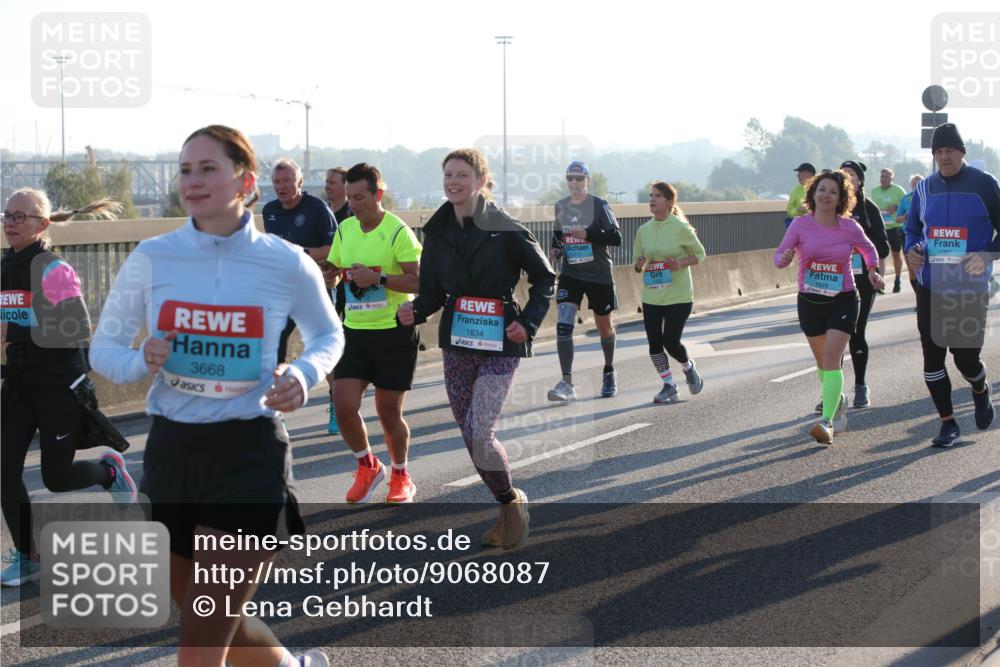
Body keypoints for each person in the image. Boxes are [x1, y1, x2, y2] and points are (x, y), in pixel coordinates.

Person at [90, 125, 341, 667]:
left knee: (199, 648)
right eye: (185, 170)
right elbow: (104, 349)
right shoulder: (153, 257)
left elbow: (328, 334)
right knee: (207, 613)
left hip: (248, 454)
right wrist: (142, 360)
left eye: (207, 168)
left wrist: (302, 373)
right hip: (172, 453)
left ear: (245, 181)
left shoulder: (286, 260)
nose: (192, 181)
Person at [397, 148, 554, 549]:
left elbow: (545, 279)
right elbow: (432, 291)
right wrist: (414, 311)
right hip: (458, 342)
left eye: (462, 175)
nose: (453, 181)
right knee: (468, 435)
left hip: (501, 340)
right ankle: (507, 505)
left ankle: (511, 502)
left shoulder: (506, 228)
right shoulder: (436, 230)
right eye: (448, 175)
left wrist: (529, 322)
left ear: (481, 181)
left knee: (480, 431)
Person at [1, 190, 137, 587]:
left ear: (43, 224)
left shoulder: (53, 270)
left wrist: (15, 330)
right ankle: (28, 555)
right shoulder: (6, 266)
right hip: (22, 383)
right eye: (6, 215)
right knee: (4, 469)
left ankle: (108, 473)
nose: (9, 223)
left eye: (19, 216)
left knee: (55, 479)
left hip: (59, 384)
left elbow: (77, 329)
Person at [323, 163, 422, 504]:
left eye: (360, 197)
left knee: (388, 412)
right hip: (355, 331)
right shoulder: (345, 229)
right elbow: (335, 269)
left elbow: (418, 280)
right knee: (343, 402)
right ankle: (367, 464)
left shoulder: (397, 232)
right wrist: (328, 277)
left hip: (394, 332)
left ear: (378, 194)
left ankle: (400, 474)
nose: (354, 204)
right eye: (349, 197)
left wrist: (377, 279)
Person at [903, 123, 999, 448]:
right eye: (938, 151)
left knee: (965, 359)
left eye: (950, 151)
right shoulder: (924, 189)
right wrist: (912, 250)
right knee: (932, 358)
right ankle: (948, 424)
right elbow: (913, 229)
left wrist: (986, 255)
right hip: (931, 286)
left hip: (968, 288)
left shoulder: (984, 185)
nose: (944, 157)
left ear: (962, 152)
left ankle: (980, 387)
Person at [774, 169, 883, 445]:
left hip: (843, 298)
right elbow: (778, 259)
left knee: (832, 360)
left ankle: (827, 421)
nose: (826, 195)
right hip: (810, 301)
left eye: (833, 192)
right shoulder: (799, 225)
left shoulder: (849, 227)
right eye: (821, 190)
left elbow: (869, 249)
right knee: (822, 362)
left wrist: (872, 269)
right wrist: (785, 257)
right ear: (813, 193)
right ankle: (838, 399)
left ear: (841, 198)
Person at [547, 160, 622, 401]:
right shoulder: (561, 206)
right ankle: (566, 382)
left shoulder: (598, 205)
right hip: (571, 275)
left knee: (604, 327)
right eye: (570, 178)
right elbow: (558, 236)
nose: (574, 182)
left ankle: (609, 370)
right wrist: (556, 250)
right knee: (564, 324)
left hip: (599, 275)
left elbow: (616, 237)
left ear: (588, 181)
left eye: (579, 178)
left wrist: (588, 234)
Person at [632, 181, 707, 404]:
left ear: (669, 201)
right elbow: (636, 266)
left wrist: (680, 263)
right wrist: (640, 263)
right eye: (651, 196)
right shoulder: (643, 230)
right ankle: (669, 385)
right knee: (654, 343)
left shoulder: (680, 227)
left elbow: (700, 255)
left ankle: (688, 366)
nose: (652, 200)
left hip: (679, 295)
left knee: (670, 342)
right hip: (652, 295)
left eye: (657, 196)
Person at [262, 158, 337, 364]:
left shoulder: (317, 208)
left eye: (287, 180)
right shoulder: (270, 211)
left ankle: (336, 393)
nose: (281, 186)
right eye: (277, 182)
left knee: (322, 342)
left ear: (300, 181)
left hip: (316, 286)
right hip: (285, 289)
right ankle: (274, 389)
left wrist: (301, 252)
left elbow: (335, 249)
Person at [838, 160, 890, 408]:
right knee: (832, 337)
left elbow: (883, 247)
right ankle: (833, 393)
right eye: (843, 174)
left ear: (860, 181)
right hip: (833, 280)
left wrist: (858, 247)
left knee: (856, 332)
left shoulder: (869, 209)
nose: (847, 178)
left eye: (851, 175)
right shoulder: (829, 208)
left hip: (862, 281)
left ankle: (860, 386)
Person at [323, 167, 352, 435]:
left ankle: (344, 403)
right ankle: (335, 401)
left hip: (354, 291)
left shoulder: (352, 216)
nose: (327, 186)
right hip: (327, 288)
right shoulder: (321, 213)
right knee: (329, 348)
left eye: (332, 182)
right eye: (326, 182)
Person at [870, 168, 907, 293]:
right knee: (880, 256)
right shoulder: (875, 191)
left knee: (896, 254)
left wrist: (896, 207)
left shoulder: (898, 190)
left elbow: (907, 206)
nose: (883, 179)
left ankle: (897, 279)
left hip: (895, 227)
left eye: (886, 177)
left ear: (891, 179)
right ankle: (880, 282)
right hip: (881, 228)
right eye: (882, 176)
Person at [895, 174, 924, 290]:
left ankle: (923, 297)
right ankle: (919, 297)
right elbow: (897, 219)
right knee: (911, 268)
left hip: (925, 236)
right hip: (908, 236)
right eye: (914, 185)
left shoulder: (929, 197)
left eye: (919, 184)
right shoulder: (906, 199)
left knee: (925, 267)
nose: (916, 187)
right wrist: (907, 216)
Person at [786, 163, 816, 228]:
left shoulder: (820, 189)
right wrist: (798, 210)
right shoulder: (795, 191)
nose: (797, 176)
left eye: (800, 173)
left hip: (817, 227)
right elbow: (789, 212)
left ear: (809, 174)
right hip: (800, 228)